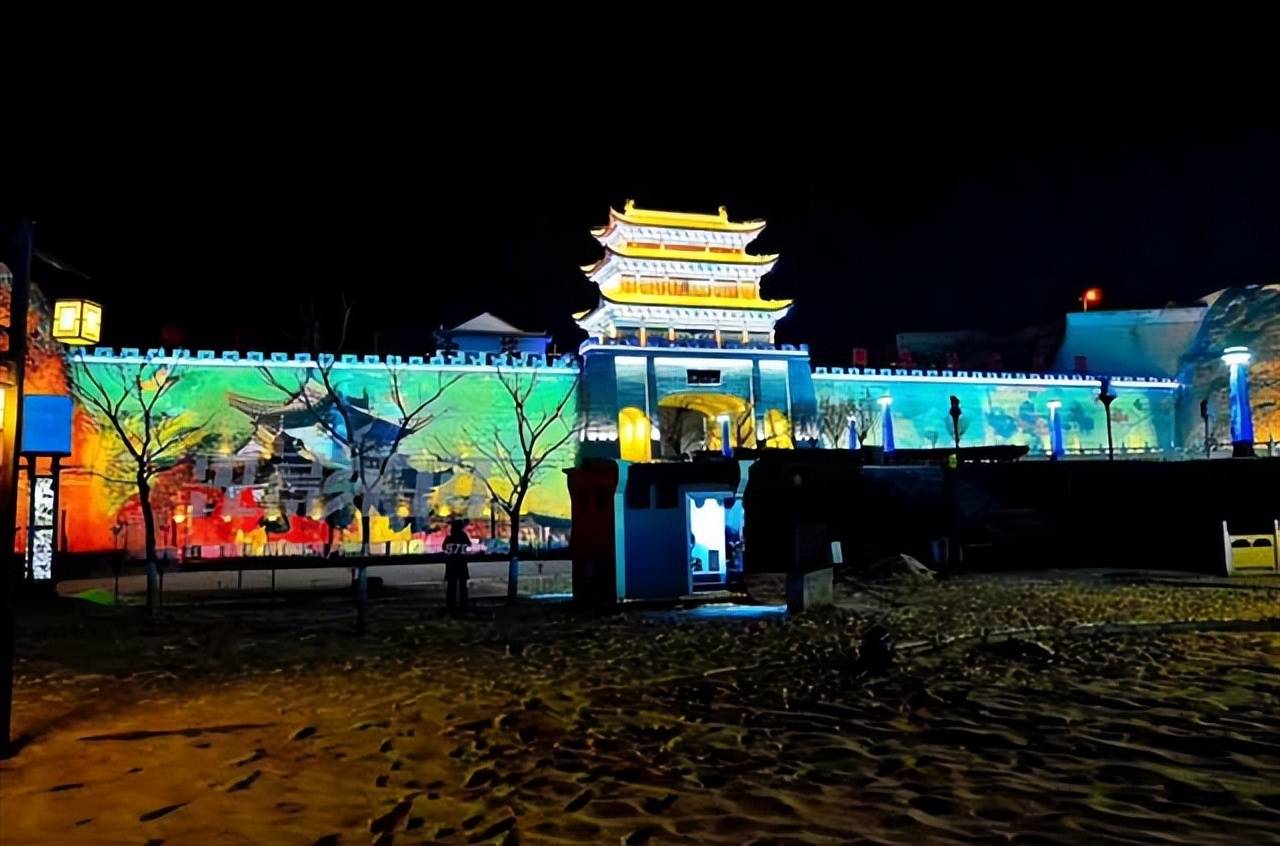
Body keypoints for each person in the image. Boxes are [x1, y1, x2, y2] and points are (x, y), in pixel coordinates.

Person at [443, 520, 471, 612]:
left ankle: (450, 606)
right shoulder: (463, 536)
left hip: (451, 565)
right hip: (462, 564)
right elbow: (469, 545)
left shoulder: (449, 537)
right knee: (463, 587)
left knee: (451, 587)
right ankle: (463, 605)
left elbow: (444, 547)